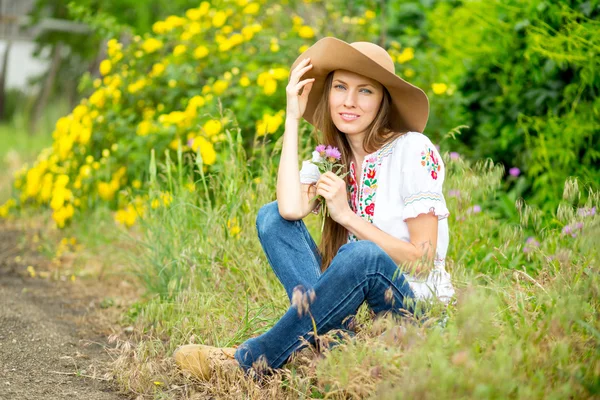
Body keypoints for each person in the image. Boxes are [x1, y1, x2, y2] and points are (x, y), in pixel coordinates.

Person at [173, 37, 455, 380]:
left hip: (411, 313)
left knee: (361, 256)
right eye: (340, 87)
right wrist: (292, 117)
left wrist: (348, 217)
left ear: (383, 99)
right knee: (271, 216)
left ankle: (250, 361)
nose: (349, 101)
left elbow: (423, 262)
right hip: (361, 323)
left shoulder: (412, 149)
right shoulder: (331, 158)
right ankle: (338, 346)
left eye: (365, 91)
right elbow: (289, 210)